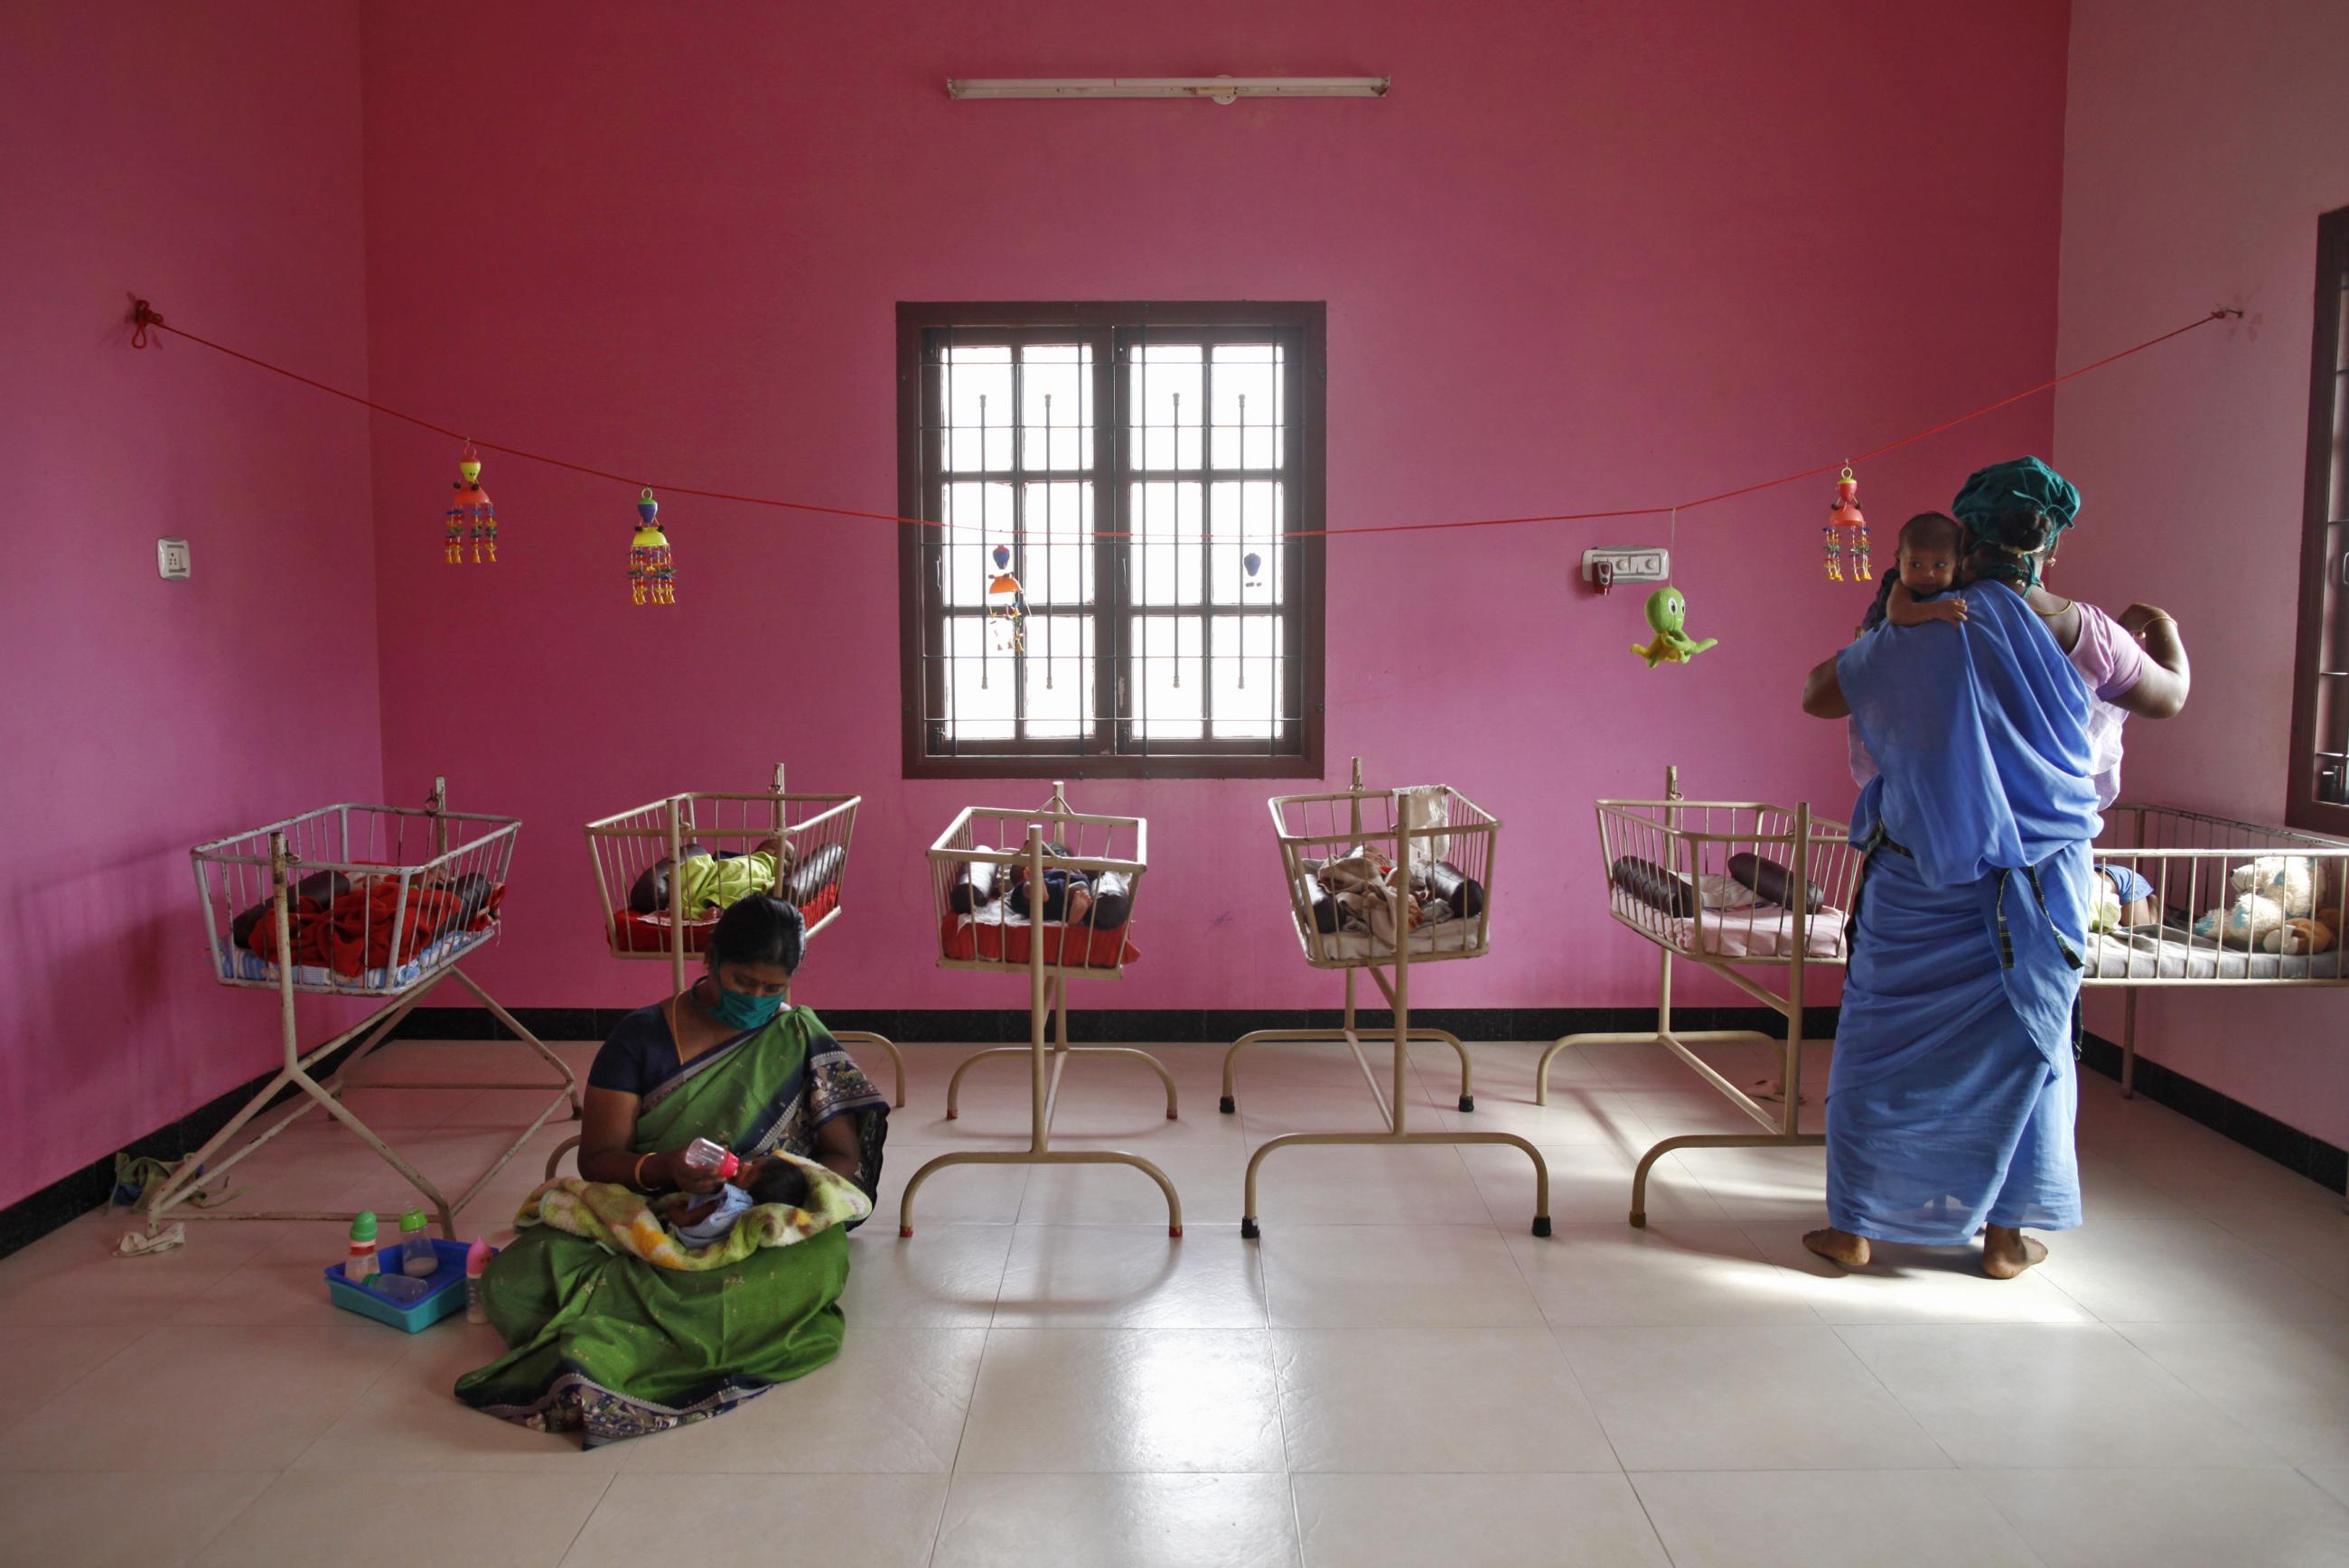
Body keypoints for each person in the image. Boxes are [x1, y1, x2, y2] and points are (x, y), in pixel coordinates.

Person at [1797, 456, 2183, 1279]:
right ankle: (2006, 1238)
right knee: (2031, 1047)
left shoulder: (1922, 623)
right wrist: (2170, 635)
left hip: (1919, 881)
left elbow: (1821, 694)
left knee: (1879, 1046)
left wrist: (1889, 623)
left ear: (1965, 537)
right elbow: (2169, 696)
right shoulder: (2088, 632)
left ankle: (1854, 1227)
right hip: (2041, 893)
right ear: (2049, 546)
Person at [455, 895, 888, 1444]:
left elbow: (842, 1159)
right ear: (710, 959)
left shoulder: (798, 1035)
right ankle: (680, 1329)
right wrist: (667, 1169)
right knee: (517, 1275)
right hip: (648, 1213)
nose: (756, 998)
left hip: (759, 1220)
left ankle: (640, 1330)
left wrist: (773, 1190)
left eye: (772, 988)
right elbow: (597, 1159)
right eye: (743, 981)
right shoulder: (640, 1037)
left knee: (818, 1259)